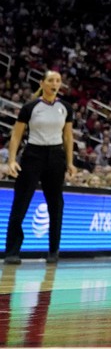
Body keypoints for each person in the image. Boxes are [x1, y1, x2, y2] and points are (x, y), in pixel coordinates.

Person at [4, 71, 75, 263]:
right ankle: (11, 252)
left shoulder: (65, 107)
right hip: (33, 155)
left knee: (56, 204)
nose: (55, 84)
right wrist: (11, 160)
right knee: (21, 201)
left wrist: (69, 162)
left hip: (56, 157)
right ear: (42, 83)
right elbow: (16, 135)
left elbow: (68, 137)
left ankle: (53, 251)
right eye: (51, 80)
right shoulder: (30, 107)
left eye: (58, 81)